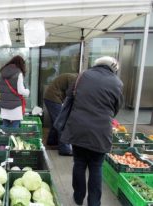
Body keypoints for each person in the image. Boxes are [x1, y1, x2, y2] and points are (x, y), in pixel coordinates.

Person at [60, 56, 123, 206]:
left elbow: (69, 95)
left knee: (79, 163)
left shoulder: (82, 76)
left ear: (96, 64)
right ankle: (94, 202)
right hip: (101, 132)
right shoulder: (117, 83)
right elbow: (117, 107)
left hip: (78, 128)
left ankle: (78, 197)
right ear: (113, 68)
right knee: (96, 167)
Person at [44, 73, 78, 155]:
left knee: (56, 122)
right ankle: (65, 149)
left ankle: (52, 141)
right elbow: (70, 94)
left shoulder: (73, 77)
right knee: (62, 123)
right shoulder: (74, 79)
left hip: (50, 97)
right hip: (54, 98)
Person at [0, 55, 30, 128]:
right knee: (15, 128)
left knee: (5, 127)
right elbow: (20, 91)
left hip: (4, 105)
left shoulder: (3, 72)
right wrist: (27, 91)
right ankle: (12, 139)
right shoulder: (18, 73)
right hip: (15, 106)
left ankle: (6, 139)